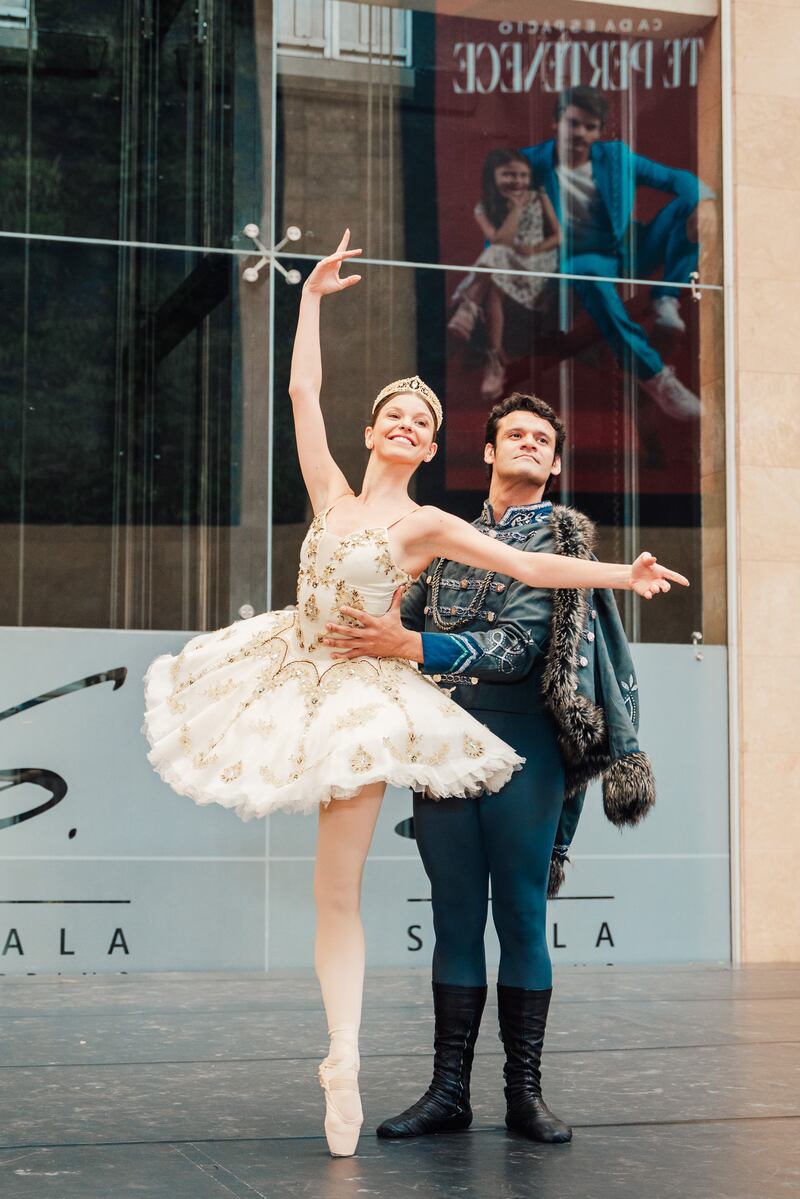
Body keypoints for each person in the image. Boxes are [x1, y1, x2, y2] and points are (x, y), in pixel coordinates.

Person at [143, 233, 687, 1159]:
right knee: (430, 910)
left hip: (441, 722)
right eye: (393, 414)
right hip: (344, 692)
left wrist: (617, 572)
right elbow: (302, 395)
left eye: (422, 421)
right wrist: (310, 301)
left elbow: (524, 579)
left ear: (441, 447)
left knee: (478, 904)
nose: (405, 424)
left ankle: (462, 1079)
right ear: (376, 433)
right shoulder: (347, 497)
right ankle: (439, 1086)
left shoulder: (437, 526)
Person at [323, 391, 660, 1146]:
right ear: (487, 451)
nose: (531, 444)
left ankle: (524, 1094)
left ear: (557, 461)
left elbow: (516, 646)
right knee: (452, 917)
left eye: (544, 438)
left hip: (525, 750)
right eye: (517, 434)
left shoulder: (562, 545)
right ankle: (448, 1092)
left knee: (521, 915)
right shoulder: (442, 533)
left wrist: (406, 645)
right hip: (444, 747)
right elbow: (395, 617)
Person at [522, 86, 716, 420]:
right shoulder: (531, 163)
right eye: (573, 123)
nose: (580, 133)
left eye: (589, 126)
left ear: (598, 131)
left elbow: (675, 178)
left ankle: (666, 298)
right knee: (589, 276)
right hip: (576, 260)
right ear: (556, 124)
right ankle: (655, 378)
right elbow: (501, 220)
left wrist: (705, 201)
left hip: (626, 251)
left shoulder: (616, 157)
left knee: (689, 205)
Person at [448, 149, 561, 402]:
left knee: (495, 261)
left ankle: (468, 309)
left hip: (536, 264)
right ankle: (495, 357)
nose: (517, 181)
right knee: (494, 282)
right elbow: (501, 241)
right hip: (505, 263)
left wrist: (534, 248)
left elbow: (558, 236)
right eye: (508, 175)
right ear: (493, 176)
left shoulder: (537, 196)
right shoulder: (483, 207)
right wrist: (516, 210)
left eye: (522, 175)